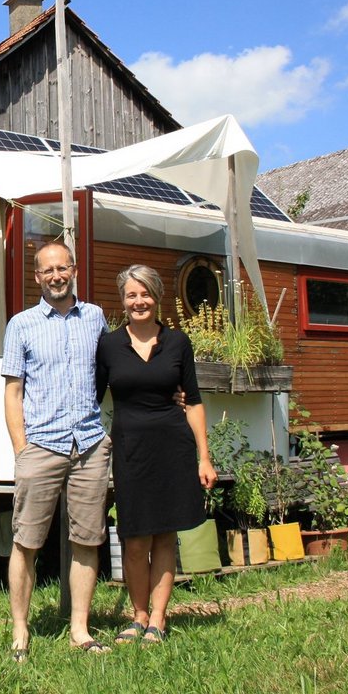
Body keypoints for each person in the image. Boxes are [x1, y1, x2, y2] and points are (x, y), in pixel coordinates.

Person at [1, 241, 112, 659]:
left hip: (88, 444)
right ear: (37, 277)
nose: (56, 276)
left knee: (87, 539)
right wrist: (21, 450)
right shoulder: (22, 325)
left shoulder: (96, 318)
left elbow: (111, 370)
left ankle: (80, 630)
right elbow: (13, 393)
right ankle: (20, 632)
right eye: (47, 270)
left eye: (62, 268)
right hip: (41, 446)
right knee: (26, 541)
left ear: (74, 270)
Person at [96, 264, 216, 645]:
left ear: (157, 296)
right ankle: (138, 615)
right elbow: (92, 399)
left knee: (165, 535)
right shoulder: (109, 345)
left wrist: (204, 457)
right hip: (131, 450)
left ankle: (158, 620)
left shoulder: (178, 342)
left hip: (173, 447)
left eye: (145, 293)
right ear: (123, 300)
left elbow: (193, 402)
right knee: (135, 538)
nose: (139, 301)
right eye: (132, 294)